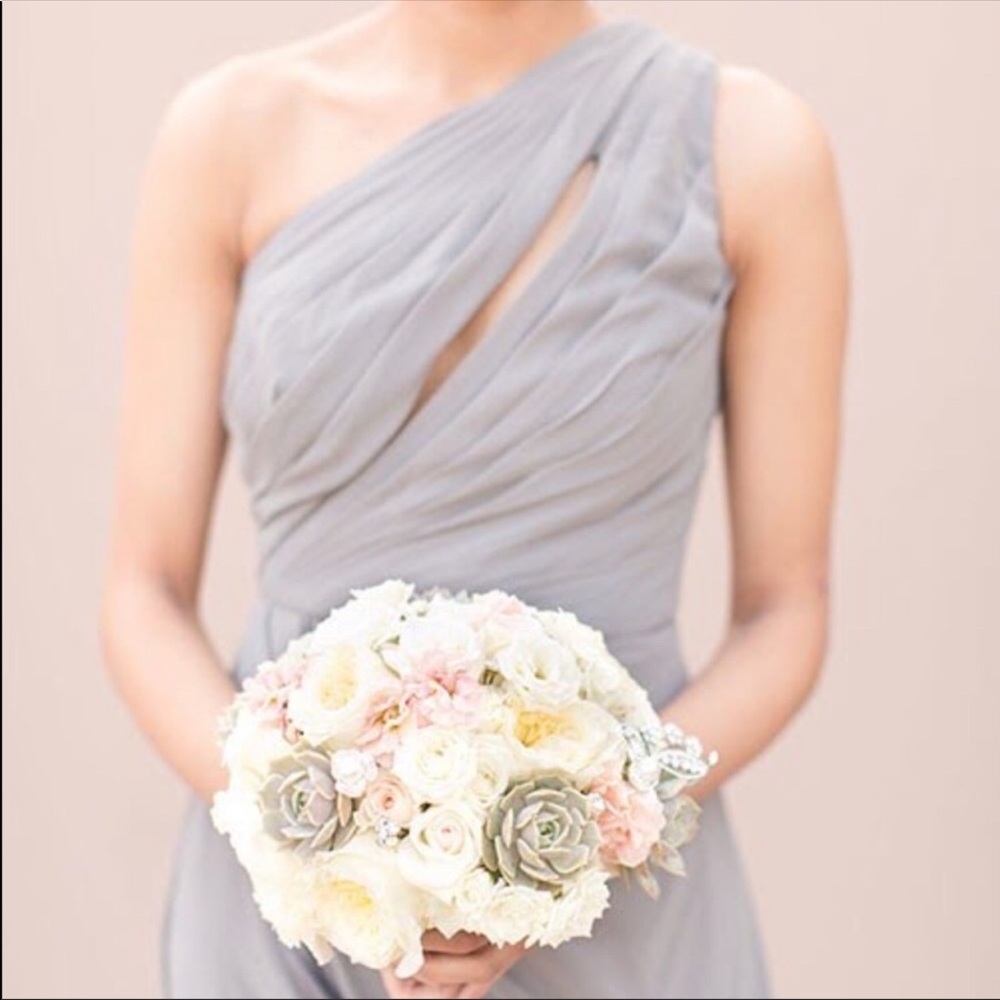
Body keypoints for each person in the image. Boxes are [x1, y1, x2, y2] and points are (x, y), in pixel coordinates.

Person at [100, 1, 850, 998]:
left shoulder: (750, 147)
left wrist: (585, 828)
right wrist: (308, 824)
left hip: (615, 911)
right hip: (284, 905)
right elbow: (140, 588)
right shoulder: (231, 132)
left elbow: (783, 606)